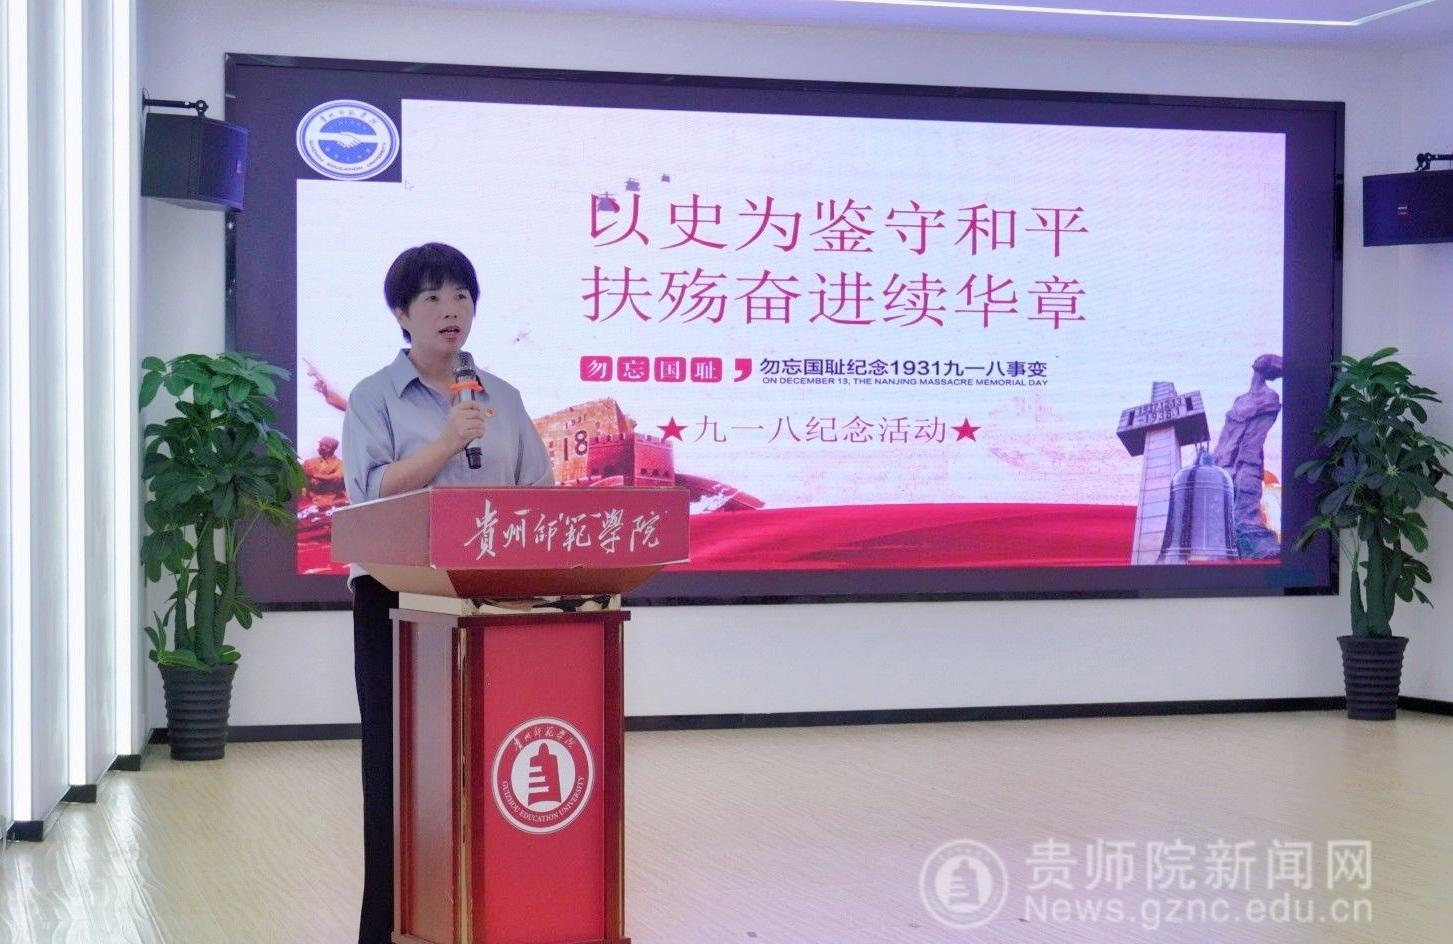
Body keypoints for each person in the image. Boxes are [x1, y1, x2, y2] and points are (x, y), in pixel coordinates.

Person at [341, 242, 554, 944]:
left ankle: (493, 919)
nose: (450, 310)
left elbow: (538, 496)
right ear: (401, 314)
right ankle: (393, 929)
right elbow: (368, 495)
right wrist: (443, 445)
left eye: (461, 295)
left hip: (493, 606)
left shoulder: (503, 397)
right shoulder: (374, 397)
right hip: (397, 605)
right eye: (431, 297)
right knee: (400, 775)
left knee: (491, 766)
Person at [300, 436, 348, 511]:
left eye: (326, 446)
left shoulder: (340, 464)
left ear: (333, 448)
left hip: (331, 501)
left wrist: (313, 475)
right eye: (320, 445)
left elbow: (337, 476)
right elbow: (298, 475)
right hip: (309, 500)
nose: (322, 447)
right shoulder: (310, 462)